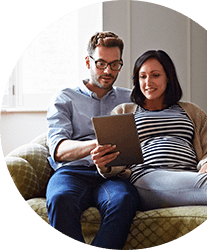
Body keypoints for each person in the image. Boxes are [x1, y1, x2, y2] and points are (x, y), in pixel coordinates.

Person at [91, 50, 207, 211]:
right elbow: (117, 162)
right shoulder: (123, 111)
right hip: (148, 177)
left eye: (155, 75)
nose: (148, 82)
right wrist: (105, 166)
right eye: (142, 76)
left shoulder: (191, 110)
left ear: (168, 77)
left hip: (191, 175)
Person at [46, 32, 139, 249]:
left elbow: (166, 114)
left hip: (114, 174)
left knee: (124, 199)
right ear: (88, 61)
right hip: (73, 172)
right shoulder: (64, 98)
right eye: (101, 63)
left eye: (115, 64)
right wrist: (97, 145)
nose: (108, 71)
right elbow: (58, 149)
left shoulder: (131, 98)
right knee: (60, 198)